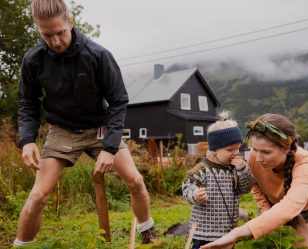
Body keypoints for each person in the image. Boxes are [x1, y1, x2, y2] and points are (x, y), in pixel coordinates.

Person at [15, 0, 157, 246]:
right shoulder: (34, 59)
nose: (56, 41)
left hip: (100, 129)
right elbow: (27, 102)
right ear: (38, 29)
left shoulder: (97, 55)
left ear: (70, 22)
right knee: (38, 195)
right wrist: (27, 141)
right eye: (47, 35)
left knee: (135, 180)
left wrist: (110, 148)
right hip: (62, 131)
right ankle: (21, 245)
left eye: (60, 32)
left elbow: (118, 101)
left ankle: (148, 231)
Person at [201, 113, 308, 249]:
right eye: (255, 149)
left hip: (307, 213)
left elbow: (290, 207)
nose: (258, 158)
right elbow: (256, 185)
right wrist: (265, 209)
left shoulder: (307, 164)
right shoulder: (254, 157)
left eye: (266, 152)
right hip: (271, 209)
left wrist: (237, 233)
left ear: (286, 146)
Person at [182, 111, 254, 249]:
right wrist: (195, 195)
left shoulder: (235, 168)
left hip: (228, 231)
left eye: (238, 148)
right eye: (230, 150)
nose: (235, 153)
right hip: (203, 232)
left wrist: (243, 169)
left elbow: (246, 188)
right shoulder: (202, 169)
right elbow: (187, 187)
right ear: (214, 149)